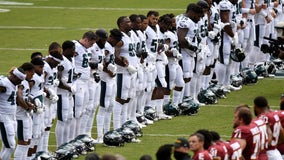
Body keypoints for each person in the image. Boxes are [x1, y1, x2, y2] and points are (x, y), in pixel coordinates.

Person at [96, 28, 122, 143]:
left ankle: (107, 132)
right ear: (111, 37)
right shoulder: (106, 46)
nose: (117, 42)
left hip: (111, 80)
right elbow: (102, 63)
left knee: (110, 105)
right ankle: (100, 135)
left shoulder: (111, 46)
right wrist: (109, 70)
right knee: (103, 107)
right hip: (104, 80)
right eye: (116, 40)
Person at [176, 3, 204, 101]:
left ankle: (186, 98)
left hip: (189, 53)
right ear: (192, 13)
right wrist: (193, 47)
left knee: (189, 76)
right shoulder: (185, 21)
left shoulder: (187, 20)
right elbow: (180, 39)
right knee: (185, 76)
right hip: (184, 52)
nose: (199, 19)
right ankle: (182, 100)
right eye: (198, 16)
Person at [113, 16, 137, 129]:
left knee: (128, 97)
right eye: (127, 22)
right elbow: (115, 56)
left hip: (131, 72)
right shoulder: (120, 38)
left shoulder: (130, 35)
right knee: (121, 98)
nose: (130, 23)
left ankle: (124, 124)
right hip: (123, 72)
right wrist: (126, 65)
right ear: (121, 24)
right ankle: (118, 127)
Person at [72, 31, 96, 137]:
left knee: (84, 110)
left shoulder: (86, 48)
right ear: (86, 40)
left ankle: (80, 135)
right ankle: (74, 137)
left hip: (85, 82)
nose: (92, 46)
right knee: (77, 111)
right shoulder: (75, 46)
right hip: (78, 82)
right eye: (91, 43)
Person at [0, 67, 26, 160]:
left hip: (12, 117)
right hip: (4, 118)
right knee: (10, 147)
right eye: (19, 80)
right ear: (14, 76)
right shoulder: (3, 84)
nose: (20, 83)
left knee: (5, 145)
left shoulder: (13, 84)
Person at [55, 40, 76, 146]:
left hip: (68, 94)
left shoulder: (70, 59)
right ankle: (60, 146)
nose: (74, 52)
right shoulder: (62, 61)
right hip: (62, 94)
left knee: (69, 118)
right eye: (72, 50)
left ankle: (66, 143)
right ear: (67, 50)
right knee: (62, 120)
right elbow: (57, 81)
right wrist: (69, 87)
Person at [14, 62, 35, 160]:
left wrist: (31, 103)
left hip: (26, 116)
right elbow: (18, 97)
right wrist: (27, 108)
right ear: (26, 72)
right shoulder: (21, 82)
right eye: (31, 72)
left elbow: (25, 97)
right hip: (20, 116)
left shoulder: (26, 82)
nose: (33, 74)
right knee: (22, 143)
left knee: (28, 141)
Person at [28, 57, 45, 159]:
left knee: (38, 134)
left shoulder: (39, 75)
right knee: (33, 136)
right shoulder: (32, 78)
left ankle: (34, 156)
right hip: (33, 111)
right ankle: (29, 157)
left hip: (39, 109)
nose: (42, 69)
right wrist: (33, 101)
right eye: (40, 67)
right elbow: (27, 93)